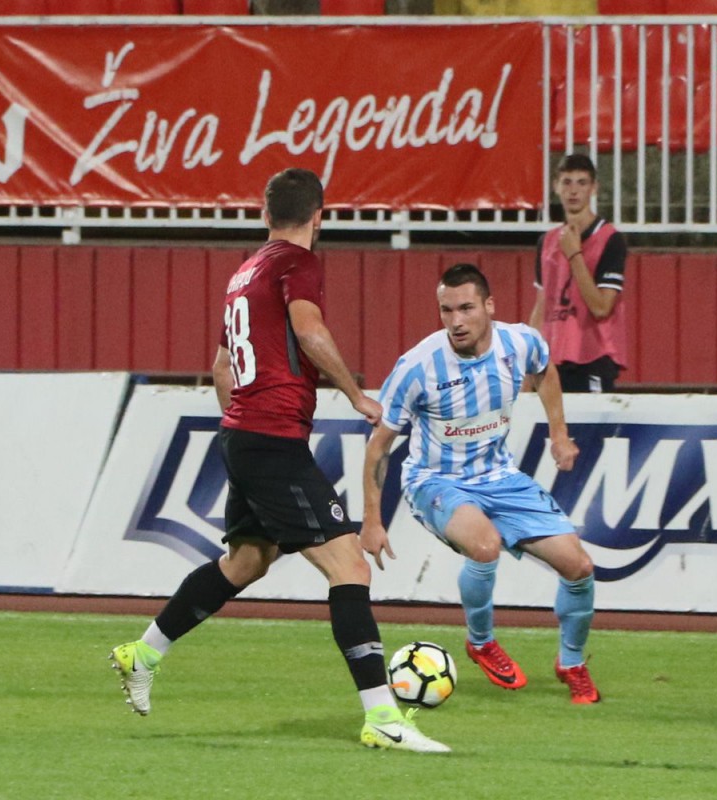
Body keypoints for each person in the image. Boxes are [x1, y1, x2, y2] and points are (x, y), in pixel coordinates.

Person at [109, 168, 449, 753]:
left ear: (265, 215)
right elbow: (309, 330)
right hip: (270, 440)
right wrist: (354, 394)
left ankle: (143, 652)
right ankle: (383, 718)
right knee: (350, 567)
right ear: (319, 217)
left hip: (243, 435)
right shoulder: (299, 264)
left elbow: (221, 367)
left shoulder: (244, 274)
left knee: (246, 562)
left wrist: (244, 426)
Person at [361, 263, 601, 704]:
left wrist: (559, 434)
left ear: (489, 306)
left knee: (580, 567)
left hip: (500, 476)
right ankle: (481, 641)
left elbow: (544, 371)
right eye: (446, 310)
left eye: (466, 308)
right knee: (485, 546)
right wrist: (372, 521)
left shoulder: (520, 342)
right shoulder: (418, 366)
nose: (455, 321)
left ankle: (571, 662)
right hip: (436, 481)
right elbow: (379, 447)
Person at [529, 153, 629, 394]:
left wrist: (574, 255)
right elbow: (542, 306)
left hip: (592, 358)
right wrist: (528, 362)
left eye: (581, 183)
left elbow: (601, 307)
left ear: (594, 188)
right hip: (553, 359)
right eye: (567, 182)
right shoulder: (547, 242)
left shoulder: (610, 239)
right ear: (556, 187)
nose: (573, 191)